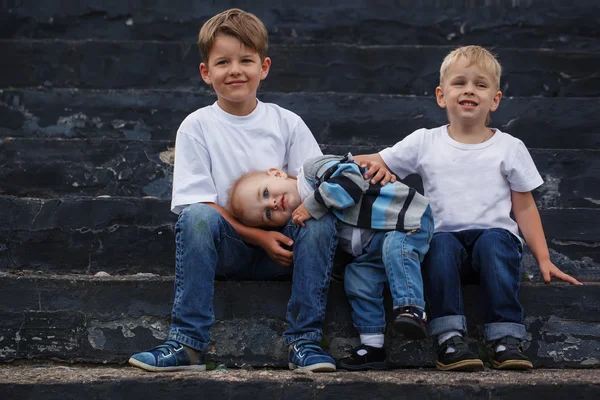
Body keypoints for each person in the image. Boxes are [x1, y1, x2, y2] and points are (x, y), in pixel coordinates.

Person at [128, 8, 341, 372]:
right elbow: (198, 205)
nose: (235, 70)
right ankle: (187, 343)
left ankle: (304, 342)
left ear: (264, 67)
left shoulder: (286, 123)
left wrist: (283, 230)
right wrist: (259, 238)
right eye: (223, 62)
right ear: (206, 72)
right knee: (195, 217)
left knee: (320, 220)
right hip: (228, 247)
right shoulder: (197, 127)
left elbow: (319, 186)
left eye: (246, 60)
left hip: (290, 248)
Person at [354, 45, 582, 371]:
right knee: (439, 243)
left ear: (495, 100)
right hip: (445, 244)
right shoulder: (424, 141)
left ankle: (505, 339)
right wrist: (336, 165)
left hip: (494, 244)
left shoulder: (509, 147)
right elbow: (379, 160)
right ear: (440, 95)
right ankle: (449, 340)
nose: (469, 90)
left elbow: (526, 207)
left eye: (480, 84)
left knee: (495, 241)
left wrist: (543, 258)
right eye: (459, 82)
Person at [227, 153, 434, 371]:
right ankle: (373, 346)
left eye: (266, 192)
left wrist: (313, 205)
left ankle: (411, 308)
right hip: (373, 244)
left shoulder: (312, 170)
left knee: (397, 250)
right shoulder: (302, 216)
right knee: (357, 277)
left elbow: (351, 178)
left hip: (403, 218)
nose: (273, 203)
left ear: (277, 173)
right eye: (267, 213)